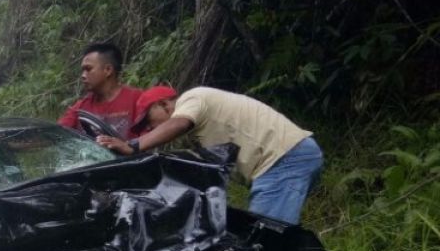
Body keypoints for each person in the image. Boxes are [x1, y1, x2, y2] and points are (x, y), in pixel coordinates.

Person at [96, 85, 324, 225]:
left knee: (264, 239)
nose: (149, 128)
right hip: (285, 160)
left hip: (284, 159)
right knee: (273, 232)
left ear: (164, 104)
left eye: (148, 121)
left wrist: (134, 146)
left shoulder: (193, 98)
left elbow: (178, 123)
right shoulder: (197, 132)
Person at [57, 42, 144, 138]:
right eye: (83, 70)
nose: (83, 75)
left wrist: (131, 147)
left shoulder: (137, 99)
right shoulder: (81, 107)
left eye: (88, 69)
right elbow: (57, 133)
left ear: (108, 70)